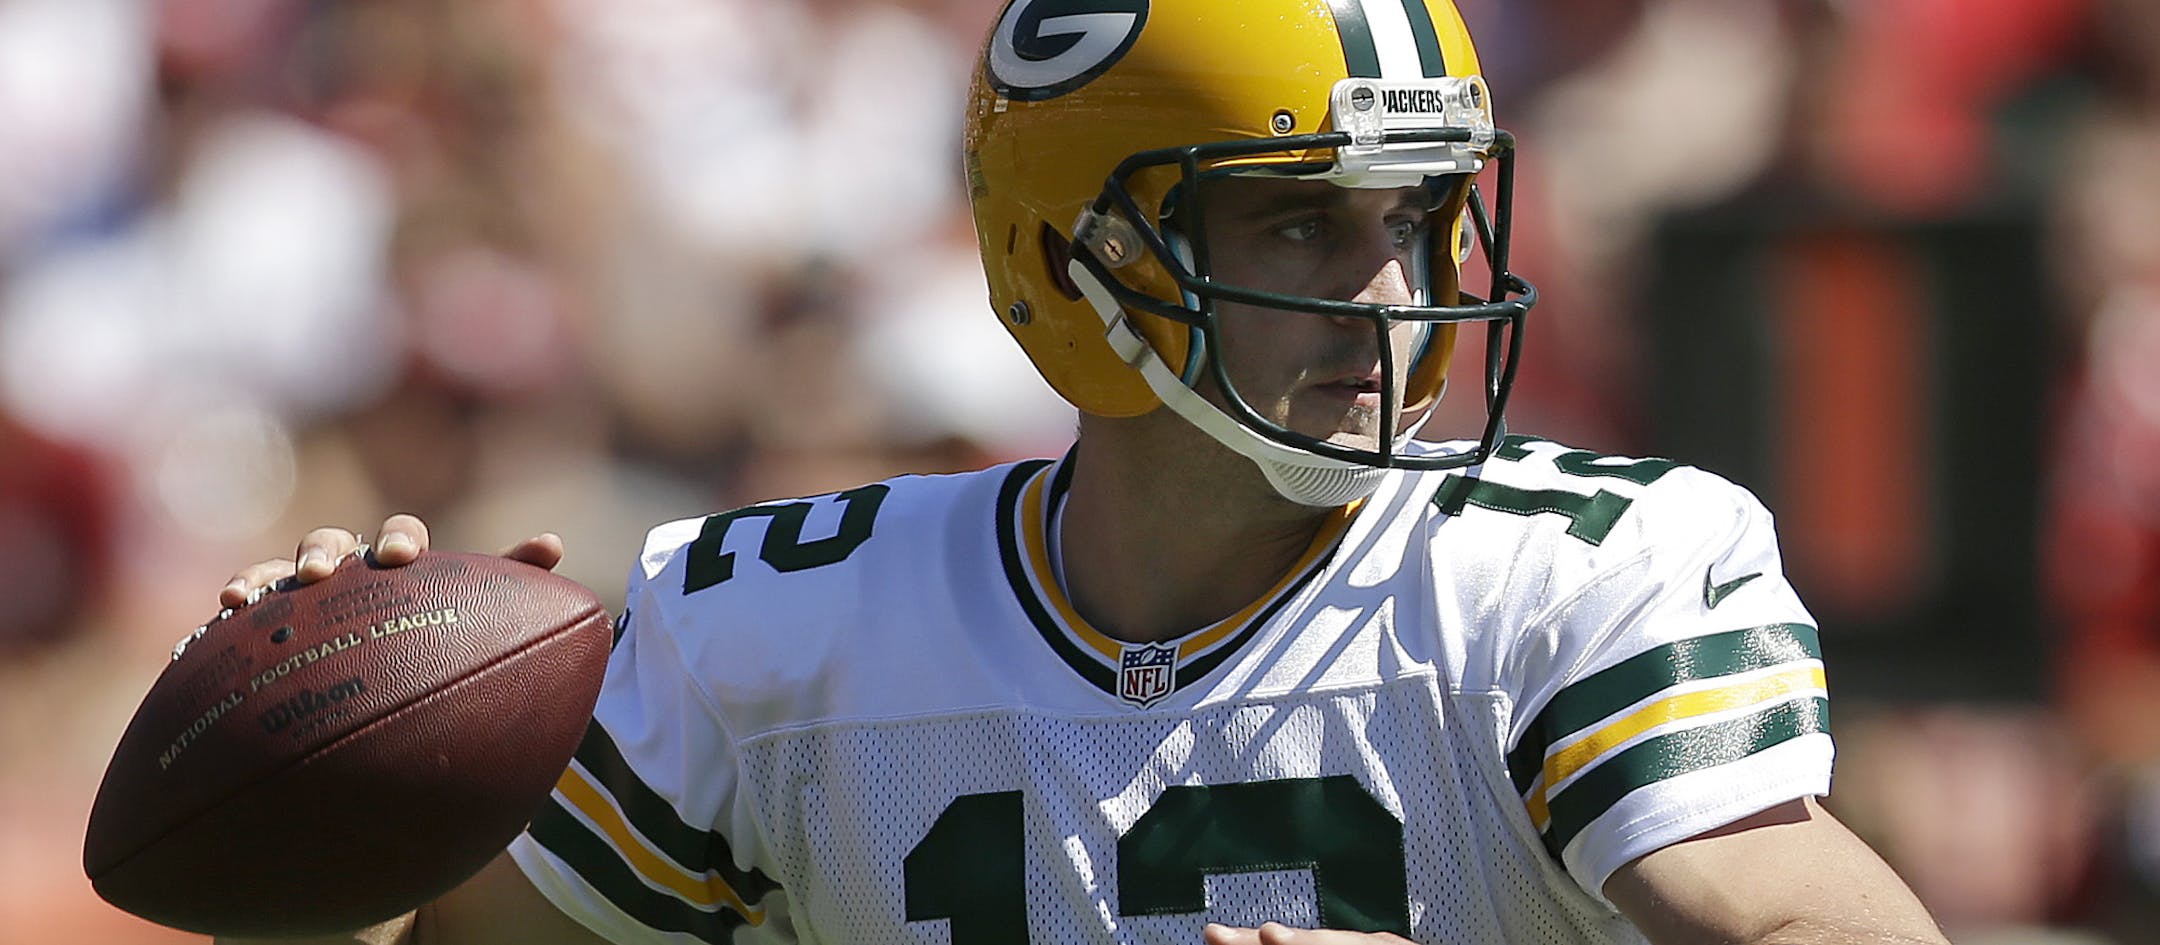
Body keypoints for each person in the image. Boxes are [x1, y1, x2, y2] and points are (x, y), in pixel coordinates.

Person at [215, 1, 1950, 943]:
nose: (1390, 291)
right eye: (1300, 219)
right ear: (1072, 260)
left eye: (1417, 218)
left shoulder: (1573, 574)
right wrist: (322, 818)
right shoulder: (771, 625)